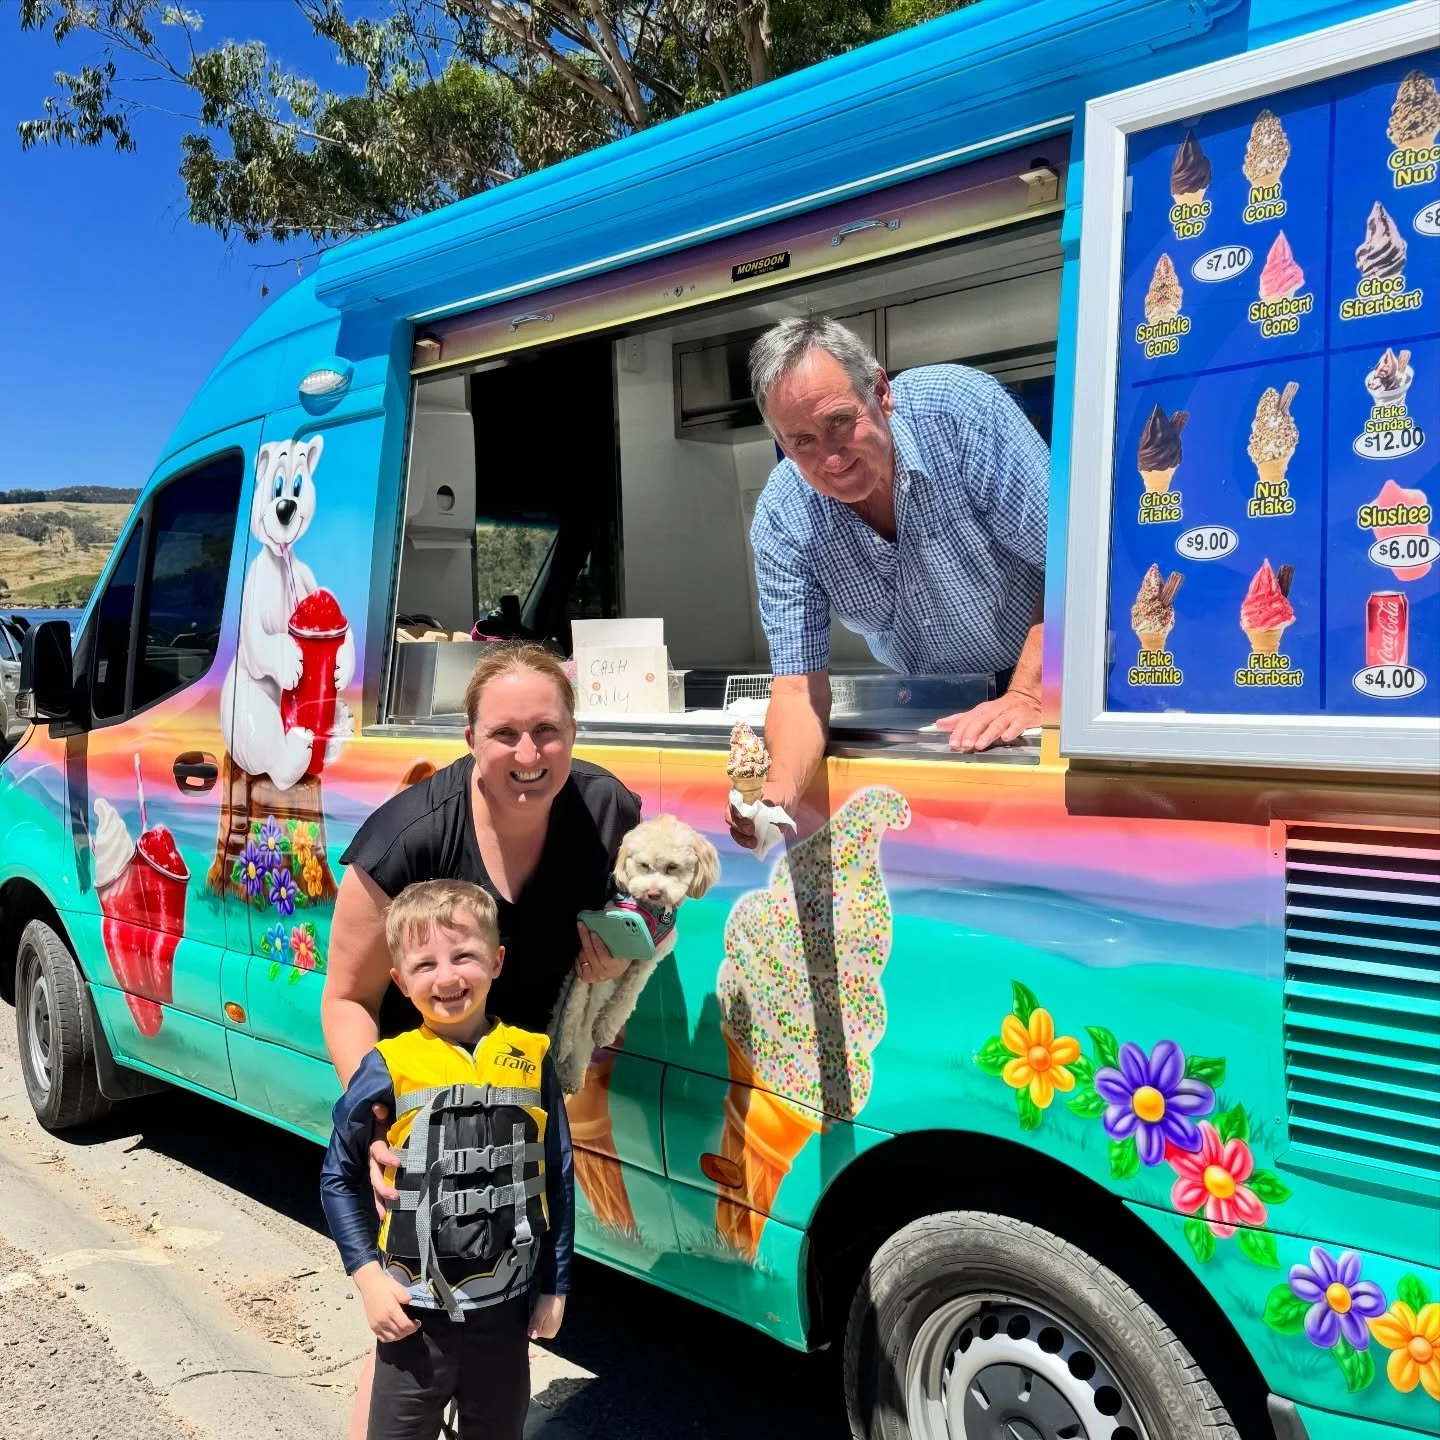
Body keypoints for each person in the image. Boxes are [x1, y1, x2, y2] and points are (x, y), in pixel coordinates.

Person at [322, 641, 640, 1437]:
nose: (528, 755)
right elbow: (347, 997)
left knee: (496, 1310)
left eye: (548, 731)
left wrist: (616, 961)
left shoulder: (610, 815)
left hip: (516, 1091)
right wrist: (378, 1123)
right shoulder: (407, 837)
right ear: (470, 738)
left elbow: (652, 926)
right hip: (418, 1085)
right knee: (411, 1318)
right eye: (505, 734)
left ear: (574, 731)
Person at [729, 316, 1049, 848]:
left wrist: (1030, 692)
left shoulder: (960, 412)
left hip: (1047, 676)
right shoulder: (784, 519)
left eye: (839, 422)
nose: (830, 458)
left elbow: (1072, 561)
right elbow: (798, 689)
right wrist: (777, 790)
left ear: (880, 391)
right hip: (929, 711)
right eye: (802, 441)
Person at [320, 879, 573, 1440]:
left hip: (505, 1316)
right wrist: (367, 1278)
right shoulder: (387, 1064)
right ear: (399, 981)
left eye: (464, 956)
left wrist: (555, 1286)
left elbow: (558, 1174)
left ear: (497, 961)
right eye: (425, 964)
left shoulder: (533, 1058)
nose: (448, 977)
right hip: (414, 1317)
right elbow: (338, 1177)